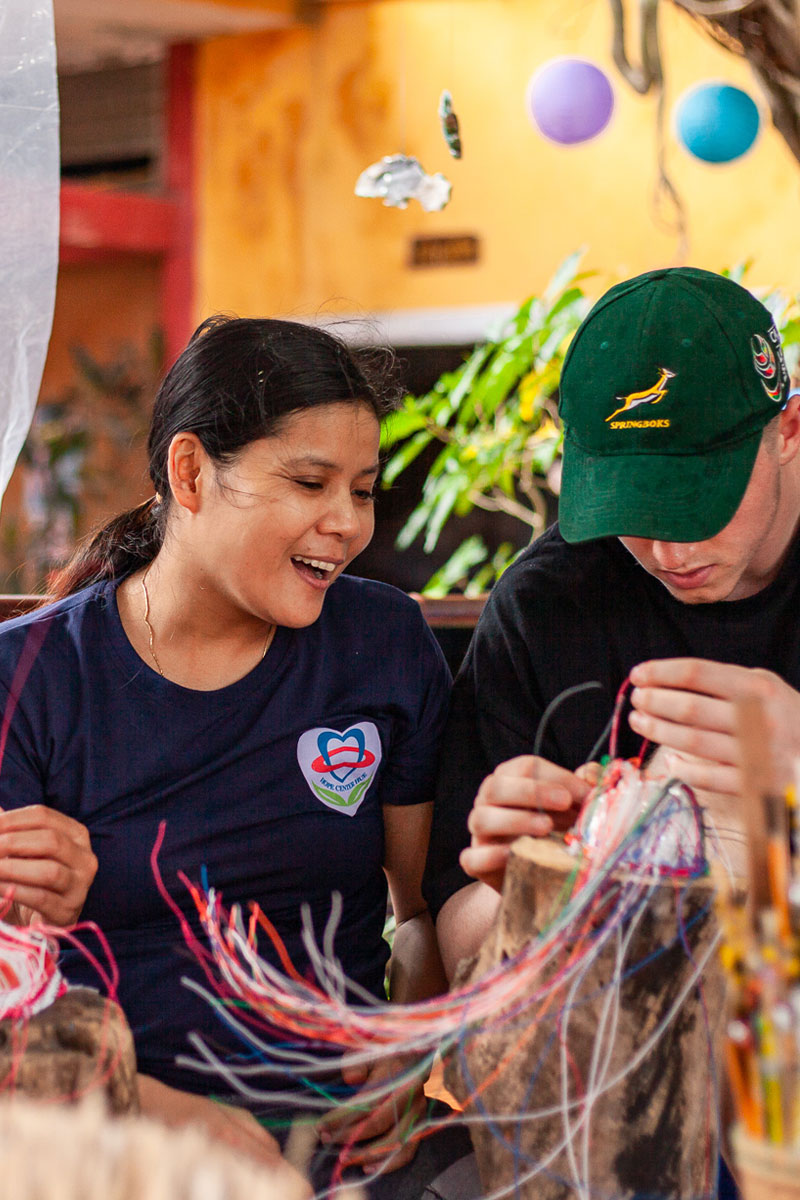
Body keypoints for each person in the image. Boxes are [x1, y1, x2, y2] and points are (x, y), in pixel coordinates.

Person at [0, 316, 471, 1197]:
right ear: (189, 473)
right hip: (115, 1150)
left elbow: (418, 916)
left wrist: (408, 1049)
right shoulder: (28, 679)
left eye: (364, 490)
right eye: (309, 482)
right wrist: (157, 1113)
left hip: (353, 1146)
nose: (346, 523)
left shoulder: (382, 641)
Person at [424, 263, 800, 1019]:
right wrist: (543, 880)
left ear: (786, 429)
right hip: (663, 1053)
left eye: (699, 502)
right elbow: (457, 946)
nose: (668, 550)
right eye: (635, 509)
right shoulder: (545, 608)